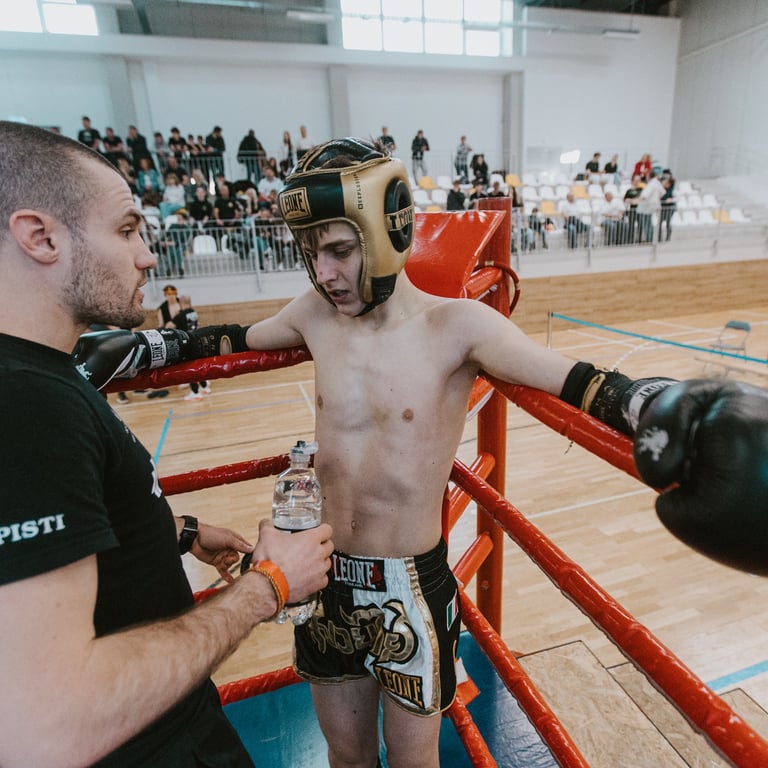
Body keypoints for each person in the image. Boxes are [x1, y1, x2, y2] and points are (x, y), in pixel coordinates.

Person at [76, 137, 768, 768]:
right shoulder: (315, 314)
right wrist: (149, 347)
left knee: (415, 764)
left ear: (387, 232)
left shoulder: (457, 327)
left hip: (410, 582)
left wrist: (656, 405)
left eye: (339, 250)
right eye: (311, 253)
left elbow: (574, 379)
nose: (325, 273)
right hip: (323, 573)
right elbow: (232, 340)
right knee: (346, 757)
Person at [0, 120, 334, 768]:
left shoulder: (42, 376)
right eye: (127, 229)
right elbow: (48, 726)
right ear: (40, 237)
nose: (148, 255)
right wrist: (269, 584)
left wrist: (172, 531)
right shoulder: (25, 401)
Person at [158, 287, 210, 399]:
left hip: (187, 344)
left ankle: (195, 393)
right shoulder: (194, 312)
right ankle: (205, 387)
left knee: (189, 369)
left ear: (181, 302)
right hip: (197, 341)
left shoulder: (181, 315)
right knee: (198, 366)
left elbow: (168, 326)